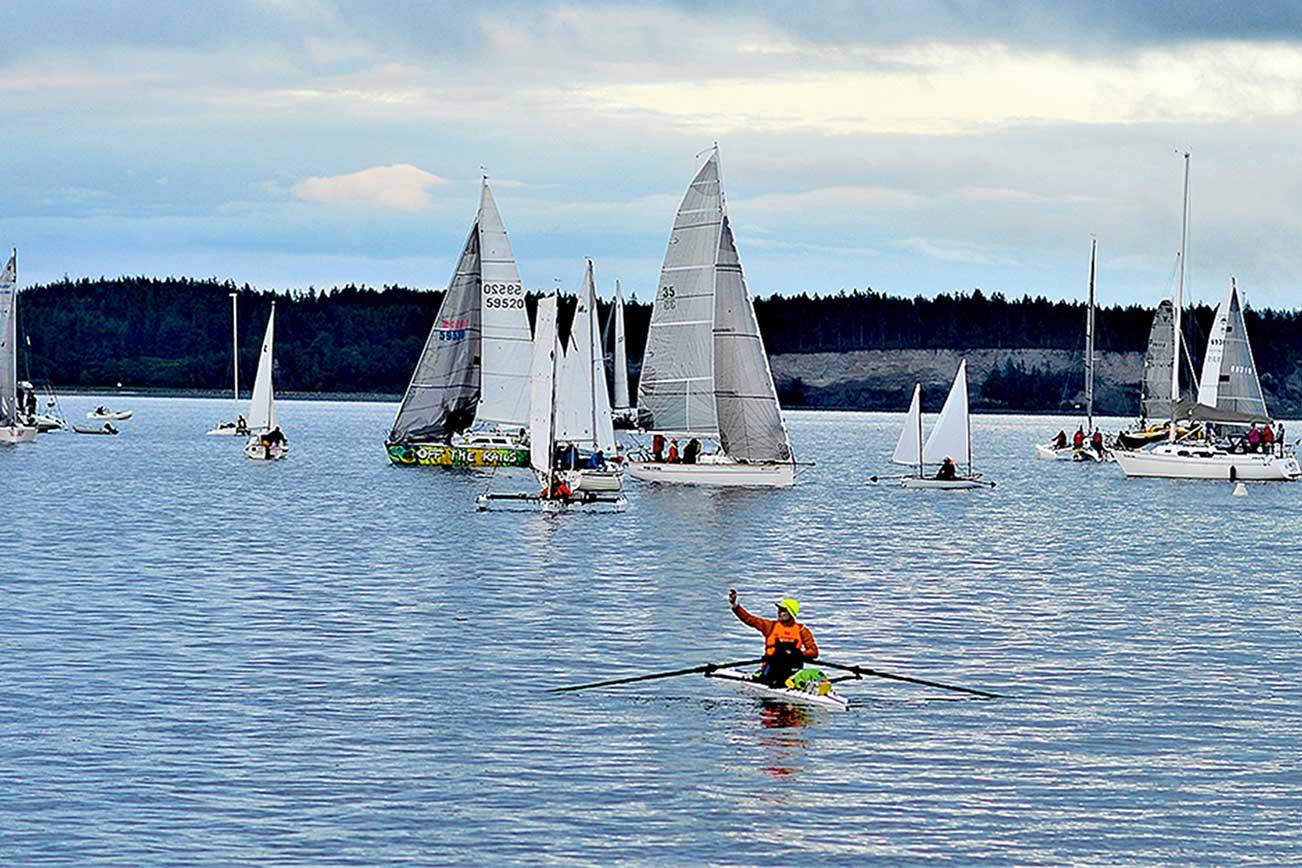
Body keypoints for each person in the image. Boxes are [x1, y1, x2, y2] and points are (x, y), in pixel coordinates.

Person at [728, 589, 819, 688]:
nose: (779, 612)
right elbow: (750, 620)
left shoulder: (802, 630)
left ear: (791, 613)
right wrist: (735, 606)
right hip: (771, 669)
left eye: (783, 610)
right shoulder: (770, 626)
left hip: (792, 670)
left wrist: (797, 654)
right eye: (779, 609)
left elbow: (814, 652)